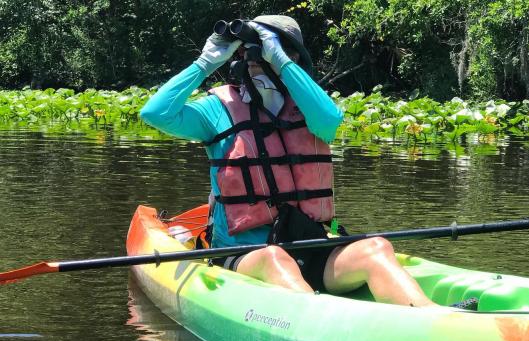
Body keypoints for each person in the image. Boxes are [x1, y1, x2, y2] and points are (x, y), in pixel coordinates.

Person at [140, 15, 440, 308]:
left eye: (267, 47)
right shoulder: (216, 110)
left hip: (311, 247)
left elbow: (330, 120)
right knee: (274, 257)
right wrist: (205, 62)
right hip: (247, 256)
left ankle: (431, 317)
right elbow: (155, 113)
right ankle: (320, 323)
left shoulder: (309, 108)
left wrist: (281, 61)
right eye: (249, 49)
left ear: (292, 54)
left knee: (377, 247)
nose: (253, 55)